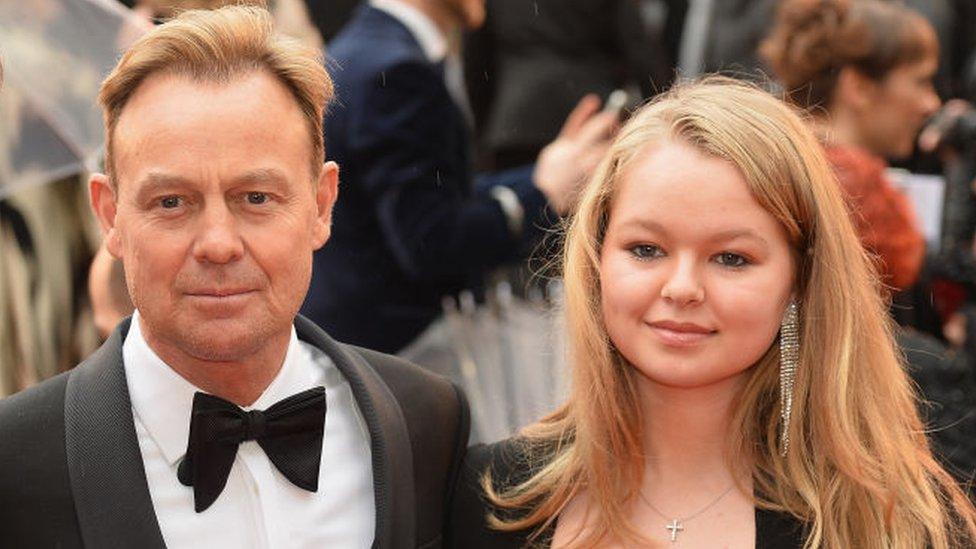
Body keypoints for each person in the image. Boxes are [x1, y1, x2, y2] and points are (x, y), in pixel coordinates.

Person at [0, 7, 468, 548]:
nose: (219, 244)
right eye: (172, 202)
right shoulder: (15, 466)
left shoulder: (427, 423)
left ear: (321, 205)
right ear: (111, 216)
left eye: (256, 198)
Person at [448, 77, 976, 548]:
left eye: (731, 258)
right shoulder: (489, 497)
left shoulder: (894, 523)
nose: (682, 288)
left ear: (800, 281)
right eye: (646, 249)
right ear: (595, 260)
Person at [300, 0, 618, 354]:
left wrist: (543, 176)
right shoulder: (396, 69)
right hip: (391, 356)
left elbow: (437, 194)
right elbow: (432, 240)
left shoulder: (372, 49)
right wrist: (539, 193)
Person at [759, 0, 938, 293]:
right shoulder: (854, 198)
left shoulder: (776, 160)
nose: (932, 103)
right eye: (921, 82)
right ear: (859, 87)